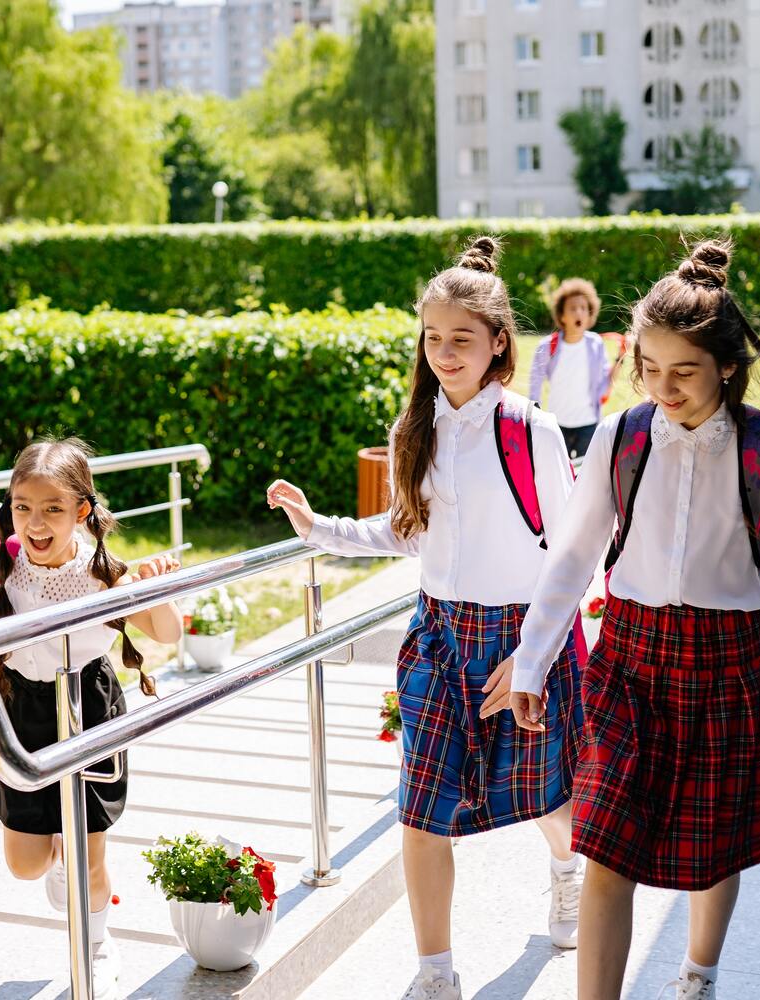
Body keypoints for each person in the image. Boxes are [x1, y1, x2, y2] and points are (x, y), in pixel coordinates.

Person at [267, 237, 584, 1000]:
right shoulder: (415, 428)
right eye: (433, 337)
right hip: (440, 638)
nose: (444, 352)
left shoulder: (529, 429)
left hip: (522, 640)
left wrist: (533, 658)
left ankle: (567, 870)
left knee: (548, 802)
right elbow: (404, 533)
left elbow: (574, 554)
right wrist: (319, 529)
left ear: (499, 343)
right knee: (421, 807)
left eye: (462, 338)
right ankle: (434, 972)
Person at [510, 240, 760, 1000]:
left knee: (713, 843)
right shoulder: (622, 437)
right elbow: (569, 558)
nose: (664, 387)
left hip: (727, 664)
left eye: (685, 372)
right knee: (607, 849)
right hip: (628, 663)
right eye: (650, 369)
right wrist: (532, 663)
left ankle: (699, 972)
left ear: (726, 365)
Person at [0, 437, 182, 1000]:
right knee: (26, 864)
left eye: (52, 509)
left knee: (88, 854)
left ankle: (97, 945)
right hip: (24, 709)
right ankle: (59, 866)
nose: (36, 522)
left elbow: (167, 634)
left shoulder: (102, 574)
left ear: (81, 512)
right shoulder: (4, 558)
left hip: (88, 709)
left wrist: (157, 590)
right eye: (24, 507)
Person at [529, 278, 618, 460]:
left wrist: (620, 359)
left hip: (588, 424)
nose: (579, 312)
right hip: (556, 423)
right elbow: (535, 381)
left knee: (586, 477)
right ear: (562, 315)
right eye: (573, 308)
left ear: (590, 313)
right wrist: (534, 412)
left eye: (583, 308)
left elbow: (605, 383)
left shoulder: (596, 344)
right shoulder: (547, 346)